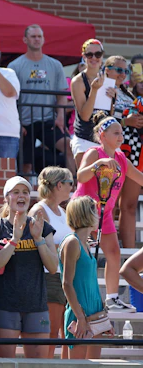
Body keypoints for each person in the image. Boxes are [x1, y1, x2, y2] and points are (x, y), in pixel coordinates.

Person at [73, 112, 143, 312]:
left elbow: (140, 179)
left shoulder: (122, 158)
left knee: (114, 253)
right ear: (103, 136)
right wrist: (98, 165)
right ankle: (77, 295)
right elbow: (81, 177)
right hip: (84, 212)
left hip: (104, 214)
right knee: (82, 257)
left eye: (121, 133)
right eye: (116, 133)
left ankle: (112, 299)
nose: (121, 137)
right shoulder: (94, 153)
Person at [0, 176, 58, 358]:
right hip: (5, 305)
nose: (21, 196)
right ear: (7, 197)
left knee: (38, 365)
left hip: (36, 305)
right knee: (4, 363)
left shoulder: (42, 227)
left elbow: (53, 266)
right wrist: (14, 240)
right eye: (16, 192)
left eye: (25, 192)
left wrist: (38, 239)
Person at [8, 24, 73, 175]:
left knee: (69, 146)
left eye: (39, 36)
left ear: (43, 39)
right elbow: (11, 97)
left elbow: (61, 94)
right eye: (33, 36)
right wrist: (17, 122)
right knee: (26, 166)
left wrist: (61, 117)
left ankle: (73, 185)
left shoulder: (55, 65)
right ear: (25, 39)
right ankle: (24, 193)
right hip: (25, 122)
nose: (37, 40)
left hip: (49, 121)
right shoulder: (15, 66)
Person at [28, 166, 74, 358]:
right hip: (49, 277)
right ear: (59, 185)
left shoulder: (62, 212)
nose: (73, 187)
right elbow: (36, 243)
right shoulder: (39, 210)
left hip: (65, 276)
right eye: (70, 183)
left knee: (66, 333)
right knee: (52, 332)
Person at [59, 195, 113, 359]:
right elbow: (67, 284)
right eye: (94, 212)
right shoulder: (72, 242)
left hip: (94, 314)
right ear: (85, 215)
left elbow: (90, 283)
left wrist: (103, 317)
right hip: (79, 315)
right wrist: (81, 318)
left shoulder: (85, 244)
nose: (98, 216)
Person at [70, 39, 113, 167]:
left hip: (105, 138)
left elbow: (109, 114)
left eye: (97, 54)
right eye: (89, 55)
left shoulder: (108, 79)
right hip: (85, 138)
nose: (94, 58)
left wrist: (113, 100)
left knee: (110, 183)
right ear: (84, 57)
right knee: (87, 183)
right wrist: (94, 90)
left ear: (102, 55)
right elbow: (85, 115)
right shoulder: (78, 81)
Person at [119, 53, 143, 249]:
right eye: (137, 68)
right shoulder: (121, 92)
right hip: (128, 151)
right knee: (127, 204)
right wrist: (126, 121)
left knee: (130, 204)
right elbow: (104, 117)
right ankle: (128, 252)